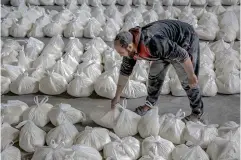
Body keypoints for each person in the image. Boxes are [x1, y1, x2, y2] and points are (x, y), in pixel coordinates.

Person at [111, 20, 204, 122]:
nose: (120, 55)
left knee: (188, 81)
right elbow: (124, 72)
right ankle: (149, 104)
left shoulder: (152, 43)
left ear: (129, 46)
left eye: (121, 52)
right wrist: (117, 97)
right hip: (166, 46)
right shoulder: (130, 47)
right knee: (154, 75)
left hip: (185, 40)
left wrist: (191, 75)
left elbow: (183, 55)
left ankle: (197, 112)